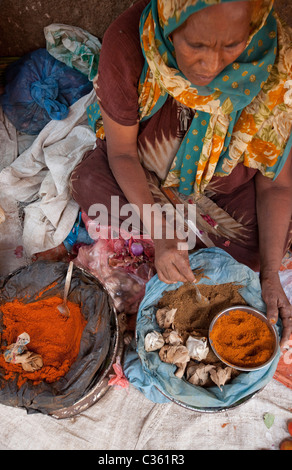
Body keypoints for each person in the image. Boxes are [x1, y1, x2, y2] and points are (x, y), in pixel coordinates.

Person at [71, 0, 292, 347]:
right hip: (144, 170)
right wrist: (161, 231)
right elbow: (123, 153)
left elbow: (276, 185)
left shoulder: (273, 59)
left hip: (222, 187)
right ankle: (168, 237)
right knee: (88, 183)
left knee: (263, 246)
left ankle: (168, 239)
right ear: (170, 21)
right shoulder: (131, 42)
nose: (212, 65)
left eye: (232, 45)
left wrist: (270, 275)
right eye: (196, 45)